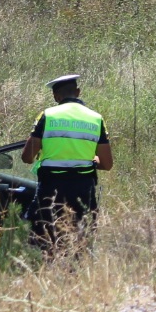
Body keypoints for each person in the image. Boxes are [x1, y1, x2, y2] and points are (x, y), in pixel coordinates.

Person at [20, 73, 112, 245]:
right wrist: (92, 161)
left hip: (51, 189)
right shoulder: (96, 119)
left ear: (56, 96)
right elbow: (107, 164)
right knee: (80, 241)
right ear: (77, 92)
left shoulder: (47, 116)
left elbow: (27, 157)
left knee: (41, 239)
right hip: (83, 191)